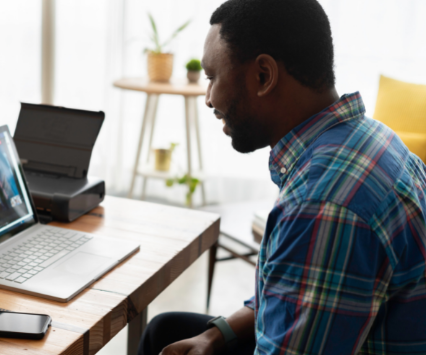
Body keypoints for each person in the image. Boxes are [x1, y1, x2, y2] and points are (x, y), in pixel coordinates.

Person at [138, 0, 426, 354]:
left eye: (213, 78)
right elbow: (297, 289)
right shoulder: (371, 139)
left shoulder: (323, 203)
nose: (209, 98)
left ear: (263, 76)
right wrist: (216, 335)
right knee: (166, 331)